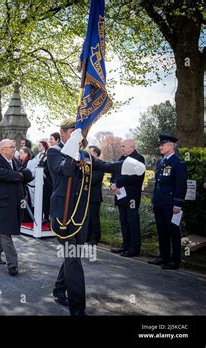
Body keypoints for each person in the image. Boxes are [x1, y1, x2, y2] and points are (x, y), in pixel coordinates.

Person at [47, 118, 146, 316]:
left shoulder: (85, 155)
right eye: (74, 132)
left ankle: (59, 289)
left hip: (81, 215)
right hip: (63, 215)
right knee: (74, 257)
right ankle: (77, 308)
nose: (79, 136)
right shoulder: (54, 152)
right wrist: (72, 147)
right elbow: (66, 171)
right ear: (63, 132)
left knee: (71, 256)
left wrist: (128, 165)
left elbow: (107, 166)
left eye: (80, 133)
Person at [0, 139, 33, 276]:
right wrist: (18, 175)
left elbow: (26, 176)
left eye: (15, 147)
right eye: (11, 147)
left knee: (4, 230)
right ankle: (13, 264)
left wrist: (23, 174)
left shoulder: (15, 161)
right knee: (6, 233)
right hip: (1, 204)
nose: (14, 149)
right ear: (2, 149)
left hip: (15, 203)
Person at [148, 135, 187, 270]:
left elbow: (181, 185)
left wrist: (178, 204)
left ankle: (174, 260)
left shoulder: (178, 163)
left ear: (171, 146)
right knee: (161, 230)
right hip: (160, 201)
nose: (160, 147)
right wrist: (154, 199)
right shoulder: (161, 162)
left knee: (173, 231)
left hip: (171, 203)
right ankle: (163, 256)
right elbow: (158, 183)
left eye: (163, 145)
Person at [109, 139, 145, 257]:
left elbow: (135, 177)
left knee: (132, 222)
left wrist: (117, 183)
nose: (121, 148)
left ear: (132, 147)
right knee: (124, 222)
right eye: (121, 146)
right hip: (120, 196)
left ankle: (134, 249)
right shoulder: (121, 158)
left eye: (124, 146)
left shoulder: (138, 159)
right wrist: (112, 185)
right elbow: (114, 174)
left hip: (131, 197)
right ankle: (125, 246)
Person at [86, 145, 104, 245]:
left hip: (94, 196)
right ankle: (87, 236)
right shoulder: (88, 165)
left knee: (94, 218)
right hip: (87, 195)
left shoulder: (100, 165)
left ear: (96, 154)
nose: (88, 155)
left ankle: (95, 237)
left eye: (91, 153)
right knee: (87, 217)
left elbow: (92, 180)